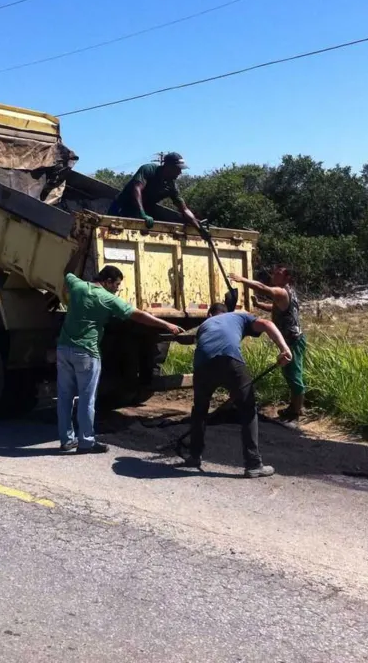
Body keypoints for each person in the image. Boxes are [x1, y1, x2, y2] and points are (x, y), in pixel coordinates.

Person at [57, 266, 184, 454]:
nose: (117, 289)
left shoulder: (78, 286)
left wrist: (77, 253)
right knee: (86, 398)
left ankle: (66, 440)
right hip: (86, 352)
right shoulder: (107, 298)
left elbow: (66, 272)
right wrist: (167, 324)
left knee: (65, 397)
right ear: (107, 281)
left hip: (64, 349)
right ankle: (86, 442)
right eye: (116, 285)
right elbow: (138, 315)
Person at [182, 302, 292, 477]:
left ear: (209, 315)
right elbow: (268, 324)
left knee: (200, 410)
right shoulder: (238, 316)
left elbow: (211, 352)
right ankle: (253, 464)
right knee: (248, 409)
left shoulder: (204, 325)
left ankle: (194, 455)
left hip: (202, 365)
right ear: (227, 312)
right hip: (229, 359)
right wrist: (284, 349)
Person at [230, 265, 306, 421]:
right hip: (291, 339)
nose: (273, 275)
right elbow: (276, 306)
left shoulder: (282, 291)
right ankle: (295, 407)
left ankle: (297, 411)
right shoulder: (286, 292)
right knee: (289, 373)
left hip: (293, 340)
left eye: (278, 273)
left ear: (287, 278)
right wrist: (259, 305)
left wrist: (242, 279)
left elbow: (263, 287)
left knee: (294, 375)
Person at [107, 152, 202, 230]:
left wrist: (199, 228)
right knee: (111, 230)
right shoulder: (149, 169)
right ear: (168, 166)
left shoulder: (171, 186)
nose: (180, 172)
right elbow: (137, 189)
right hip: (121, 206)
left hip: (142, 212)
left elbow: (184, 209)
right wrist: (142, 213)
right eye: (178, 169)